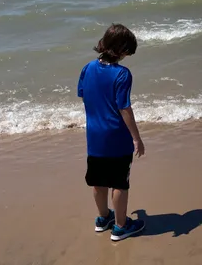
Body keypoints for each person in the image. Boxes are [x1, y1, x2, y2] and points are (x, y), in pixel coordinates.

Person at [78, 24, 146, 241]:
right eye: (127, 52)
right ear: (121, 50)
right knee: (119, 183)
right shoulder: (122, 74)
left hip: (94, 136)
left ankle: (103, 217)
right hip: (117, 137)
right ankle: (120, 226)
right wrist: (137, 138)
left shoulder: (87, 68)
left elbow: (84, 95)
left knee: (98, 181)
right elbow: (124, 108)